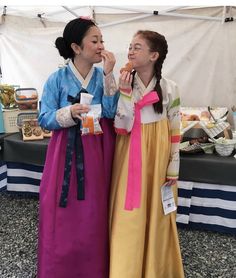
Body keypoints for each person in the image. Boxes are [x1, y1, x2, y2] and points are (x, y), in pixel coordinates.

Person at [37, 17, 119, 278]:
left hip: (95, 153)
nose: (100, 45)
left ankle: (92, 269)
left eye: (101, 40)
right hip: (64, 154)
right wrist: (69, 113)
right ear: (76, 47)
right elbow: (44, 118)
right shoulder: (57, 79)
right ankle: (59, 268)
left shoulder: (101, 76)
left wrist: (108, 74)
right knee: (60, 212)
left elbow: (109, 111)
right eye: (94, 41)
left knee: (93, 211)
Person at [109, 30, 185, 278]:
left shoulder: (170, 88)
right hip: (130, 151)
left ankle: (155, 269)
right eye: (130, 45)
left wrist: (173, 167)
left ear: (154, 55)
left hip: (159, 154)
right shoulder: (124, 84)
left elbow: (175, 130)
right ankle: (126, 269)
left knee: (157, 212)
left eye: (137, 47)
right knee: (128, 212)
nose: (130, 50)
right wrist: (124, 93)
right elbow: (121, 127)